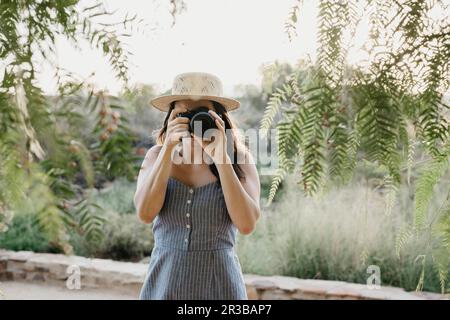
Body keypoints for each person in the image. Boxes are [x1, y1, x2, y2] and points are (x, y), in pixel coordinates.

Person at [134, 72, 261, 300]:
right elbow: (145, 213)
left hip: (220, 288)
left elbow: (247, 224)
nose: (193, 121)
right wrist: (167, 152)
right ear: (170, 119)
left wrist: (222, 158)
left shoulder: (239, 159)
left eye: (201, 112)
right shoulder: (155, 156)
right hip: (164, 285)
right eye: (184, 113)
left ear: (218, 118)